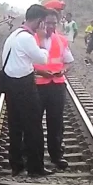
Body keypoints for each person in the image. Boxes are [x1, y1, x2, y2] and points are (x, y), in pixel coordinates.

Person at [0, 4, 50, 176]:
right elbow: (42, 59)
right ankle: (35, 167)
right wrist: (42, 40)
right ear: (38, 21)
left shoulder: (14, 35)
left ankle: (17, 164)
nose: (42, 26)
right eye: (42, 23)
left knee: (15, 125)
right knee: (33, 126)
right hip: (24, 85)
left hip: (10, 84)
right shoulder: (28, 38)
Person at [35, 9, 75, 169]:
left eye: (54, 23)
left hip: (57, 84)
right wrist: (40, 71)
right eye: (47, 22)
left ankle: (56, 155)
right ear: (41, 22)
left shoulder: (61, 40)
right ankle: (34, 156)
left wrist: (64, 70)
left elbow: (69, 61)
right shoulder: (32, 39)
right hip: (38, 85)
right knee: (34, 121)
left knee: (56, 122)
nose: (50, 26)